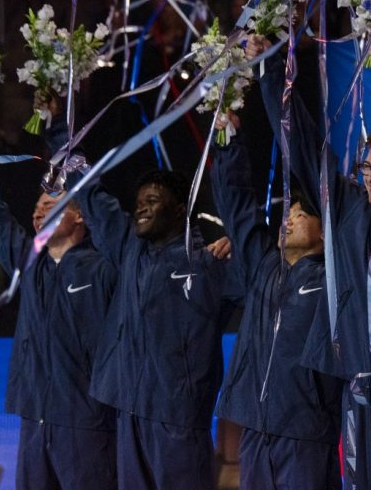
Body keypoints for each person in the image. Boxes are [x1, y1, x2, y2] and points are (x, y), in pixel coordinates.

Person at [247, 36, 371, 490]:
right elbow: (301, 141)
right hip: (354, 383)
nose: (370, 177)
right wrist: (273, 70)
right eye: (366, 167)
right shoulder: (349, 213)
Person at [0, 113, 117, 490]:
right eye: (38, 205)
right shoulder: (30, 264)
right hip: (34, 418)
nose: (40, 209)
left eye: (54, 203)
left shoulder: (106, 266)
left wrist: (59, 124)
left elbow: (90, 188)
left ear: (82, 219)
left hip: (85, 419)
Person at [71, 148, 236, 489]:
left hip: (177, 418)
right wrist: (61, 130)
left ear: (179, 210)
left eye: (152, 200)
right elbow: (92, 196)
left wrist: (238, 249)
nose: (140, 207)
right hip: (128, 411)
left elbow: (257, 257)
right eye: (139, 201)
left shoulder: (208, 263)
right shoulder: (130, 251)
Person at [210, 107, 342, 488]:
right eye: (288, 213)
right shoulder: (263, 267)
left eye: (301, 214)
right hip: (256, 426)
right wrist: (227, 143)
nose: (290, 218)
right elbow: (238, 210)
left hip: (305, 431)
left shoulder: (334, 277)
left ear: (324, 231)